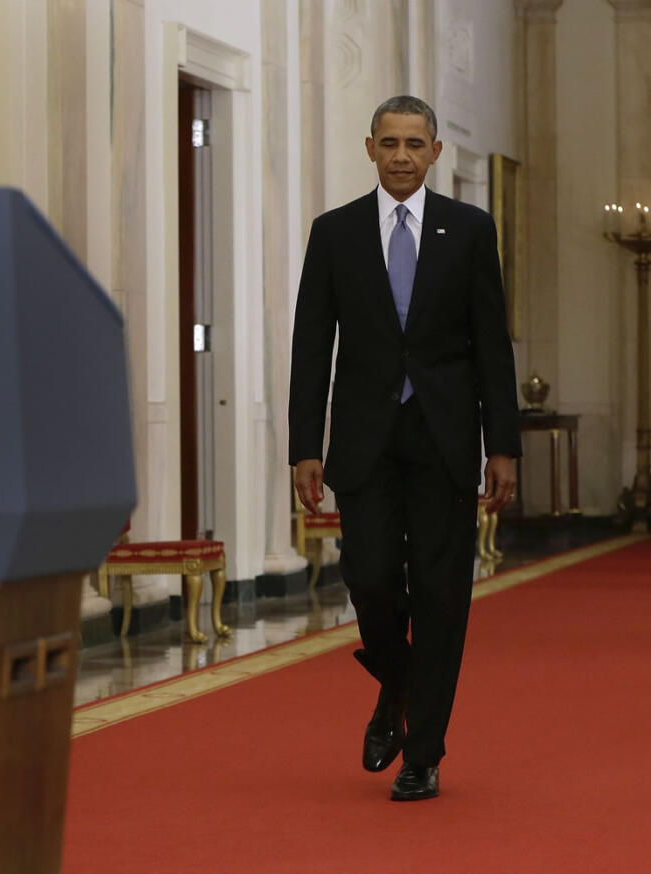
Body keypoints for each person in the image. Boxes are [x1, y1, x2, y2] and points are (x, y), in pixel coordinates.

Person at [288, 95, 521, 801]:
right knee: (371, 578)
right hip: (364, 439)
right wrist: (305, 445)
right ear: (369, 149)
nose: (400, 156)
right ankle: (396, 682)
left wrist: (502, 444)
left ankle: (423, 754)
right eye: (388, 143)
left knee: (444, 594)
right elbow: (310, 346)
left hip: (445, 436)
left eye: (414, 144)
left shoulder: (470, 230)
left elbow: (491, 345)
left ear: (436, 153)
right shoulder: (334, 233)